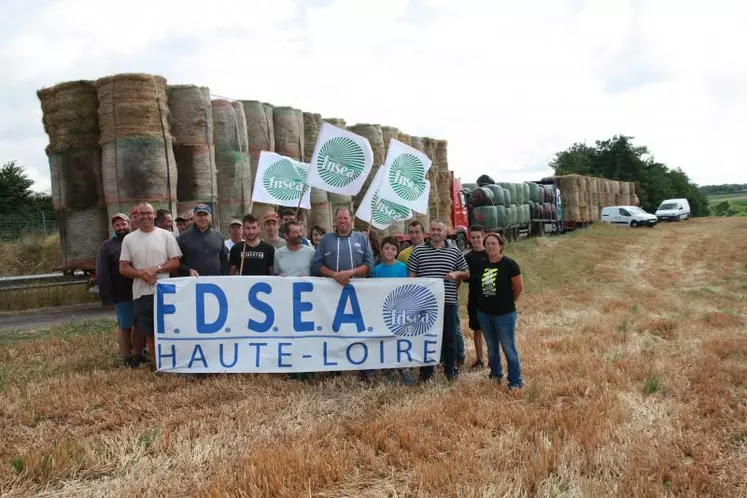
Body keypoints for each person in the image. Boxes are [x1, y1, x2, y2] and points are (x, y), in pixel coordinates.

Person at [313, 207, 374, 381]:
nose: (343, 221)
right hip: (331, 294)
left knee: (361, 331)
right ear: (335, 220)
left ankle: (365, 369)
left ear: (351, 220)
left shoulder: (362, 239)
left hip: (357, 294)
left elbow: (369, 264)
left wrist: (349, 273)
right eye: (339, 218)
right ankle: (335, 369)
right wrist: (335, 276)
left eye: (345, 218)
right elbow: (317, 265)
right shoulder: (326, 240)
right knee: (334, 329)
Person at [119, 203, 182, 363]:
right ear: (137, 216)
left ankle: (171, 362)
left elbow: (175, 262)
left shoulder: (166, 236)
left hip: (164, 292)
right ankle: (157, 365)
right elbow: (123, 267)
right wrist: (142, 274)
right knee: (149, 332)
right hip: (142, 293)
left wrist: (156, 269)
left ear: (154, 215)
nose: (145, 217)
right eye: (142, 214)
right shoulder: (129, 239)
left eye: (148, 213)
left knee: (168, 330)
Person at [407, 220, 469, 382]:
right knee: (426, 336)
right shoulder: (419, 251)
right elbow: (411, 276)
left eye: (439, 230)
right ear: (429, 232)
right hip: (425, 304)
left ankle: (451, 370)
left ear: (445, 232)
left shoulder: (454, 251)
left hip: (447, 301)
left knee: (449, 337)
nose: (435, 232)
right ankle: (426, 372)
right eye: (433, 229)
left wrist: (456, 274)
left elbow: (466, 273)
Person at [477, 233, 524, 389]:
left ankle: (515, 381)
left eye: (494, 243)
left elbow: (518, 287)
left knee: (508, 348)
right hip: (485, 313)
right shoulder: (483, 264)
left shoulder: (510, 265)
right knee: (491, 347)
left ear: (501, 246)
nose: (491, 246)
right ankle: (495, 374)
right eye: (488, 244)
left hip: (504, 314)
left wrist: (509, 302)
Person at [96, 213, 138, 367]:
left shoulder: (136, 241)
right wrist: (106, 296)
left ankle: (138, 353)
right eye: (117, 225)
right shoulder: (107, 246)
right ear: (113, 227)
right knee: (125, 325)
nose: (121, 228)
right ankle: (125, 356)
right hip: (121, 293)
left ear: (129, 224)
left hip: (139, 290)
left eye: (123, 224)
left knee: (139, 325)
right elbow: (102, 273)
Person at [371, 236, 414, 386]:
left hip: (399, 309)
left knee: (400, 338)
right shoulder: (376, 270)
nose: (390, 251)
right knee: (386, 338)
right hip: (383, 310)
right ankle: (390, 368)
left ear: (397, 251)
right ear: (382, 250)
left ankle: (404, 368)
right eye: (387, 248)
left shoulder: (403, 267)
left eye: (393, 249)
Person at [464, 225, 490, 369]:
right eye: (473, 238)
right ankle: (480, 359)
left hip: (489, 296)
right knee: (477, 330)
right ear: (469, 238)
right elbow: (465, 277)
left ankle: (493, 357)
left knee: (491, 330)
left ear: (483, 236)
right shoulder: (467, 257)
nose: (476, 240)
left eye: (478, 237)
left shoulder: (490, 255)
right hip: (474, 297)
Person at [177, 204, 228, 277]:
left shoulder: (219, 236)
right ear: (194, 217)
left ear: (210, 217)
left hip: (215, 283)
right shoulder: (183, 238)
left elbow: (224, 261)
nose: (203, 218)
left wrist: (225, 278)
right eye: (199, 215)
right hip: (192, 283)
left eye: (205, 214)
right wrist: (188, 270)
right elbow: (176, 262)